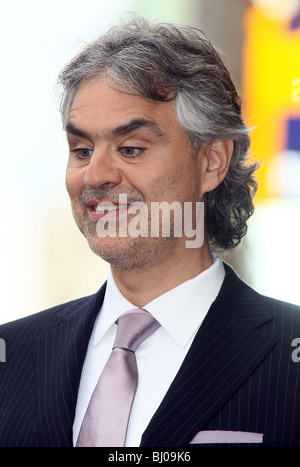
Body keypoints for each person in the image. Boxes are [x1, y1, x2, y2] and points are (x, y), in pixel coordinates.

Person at [0, 16, 300, 448]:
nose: (96, 175)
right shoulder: (13, 354)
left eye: (131, 149)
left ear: (212, 161)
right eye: (82, 150)